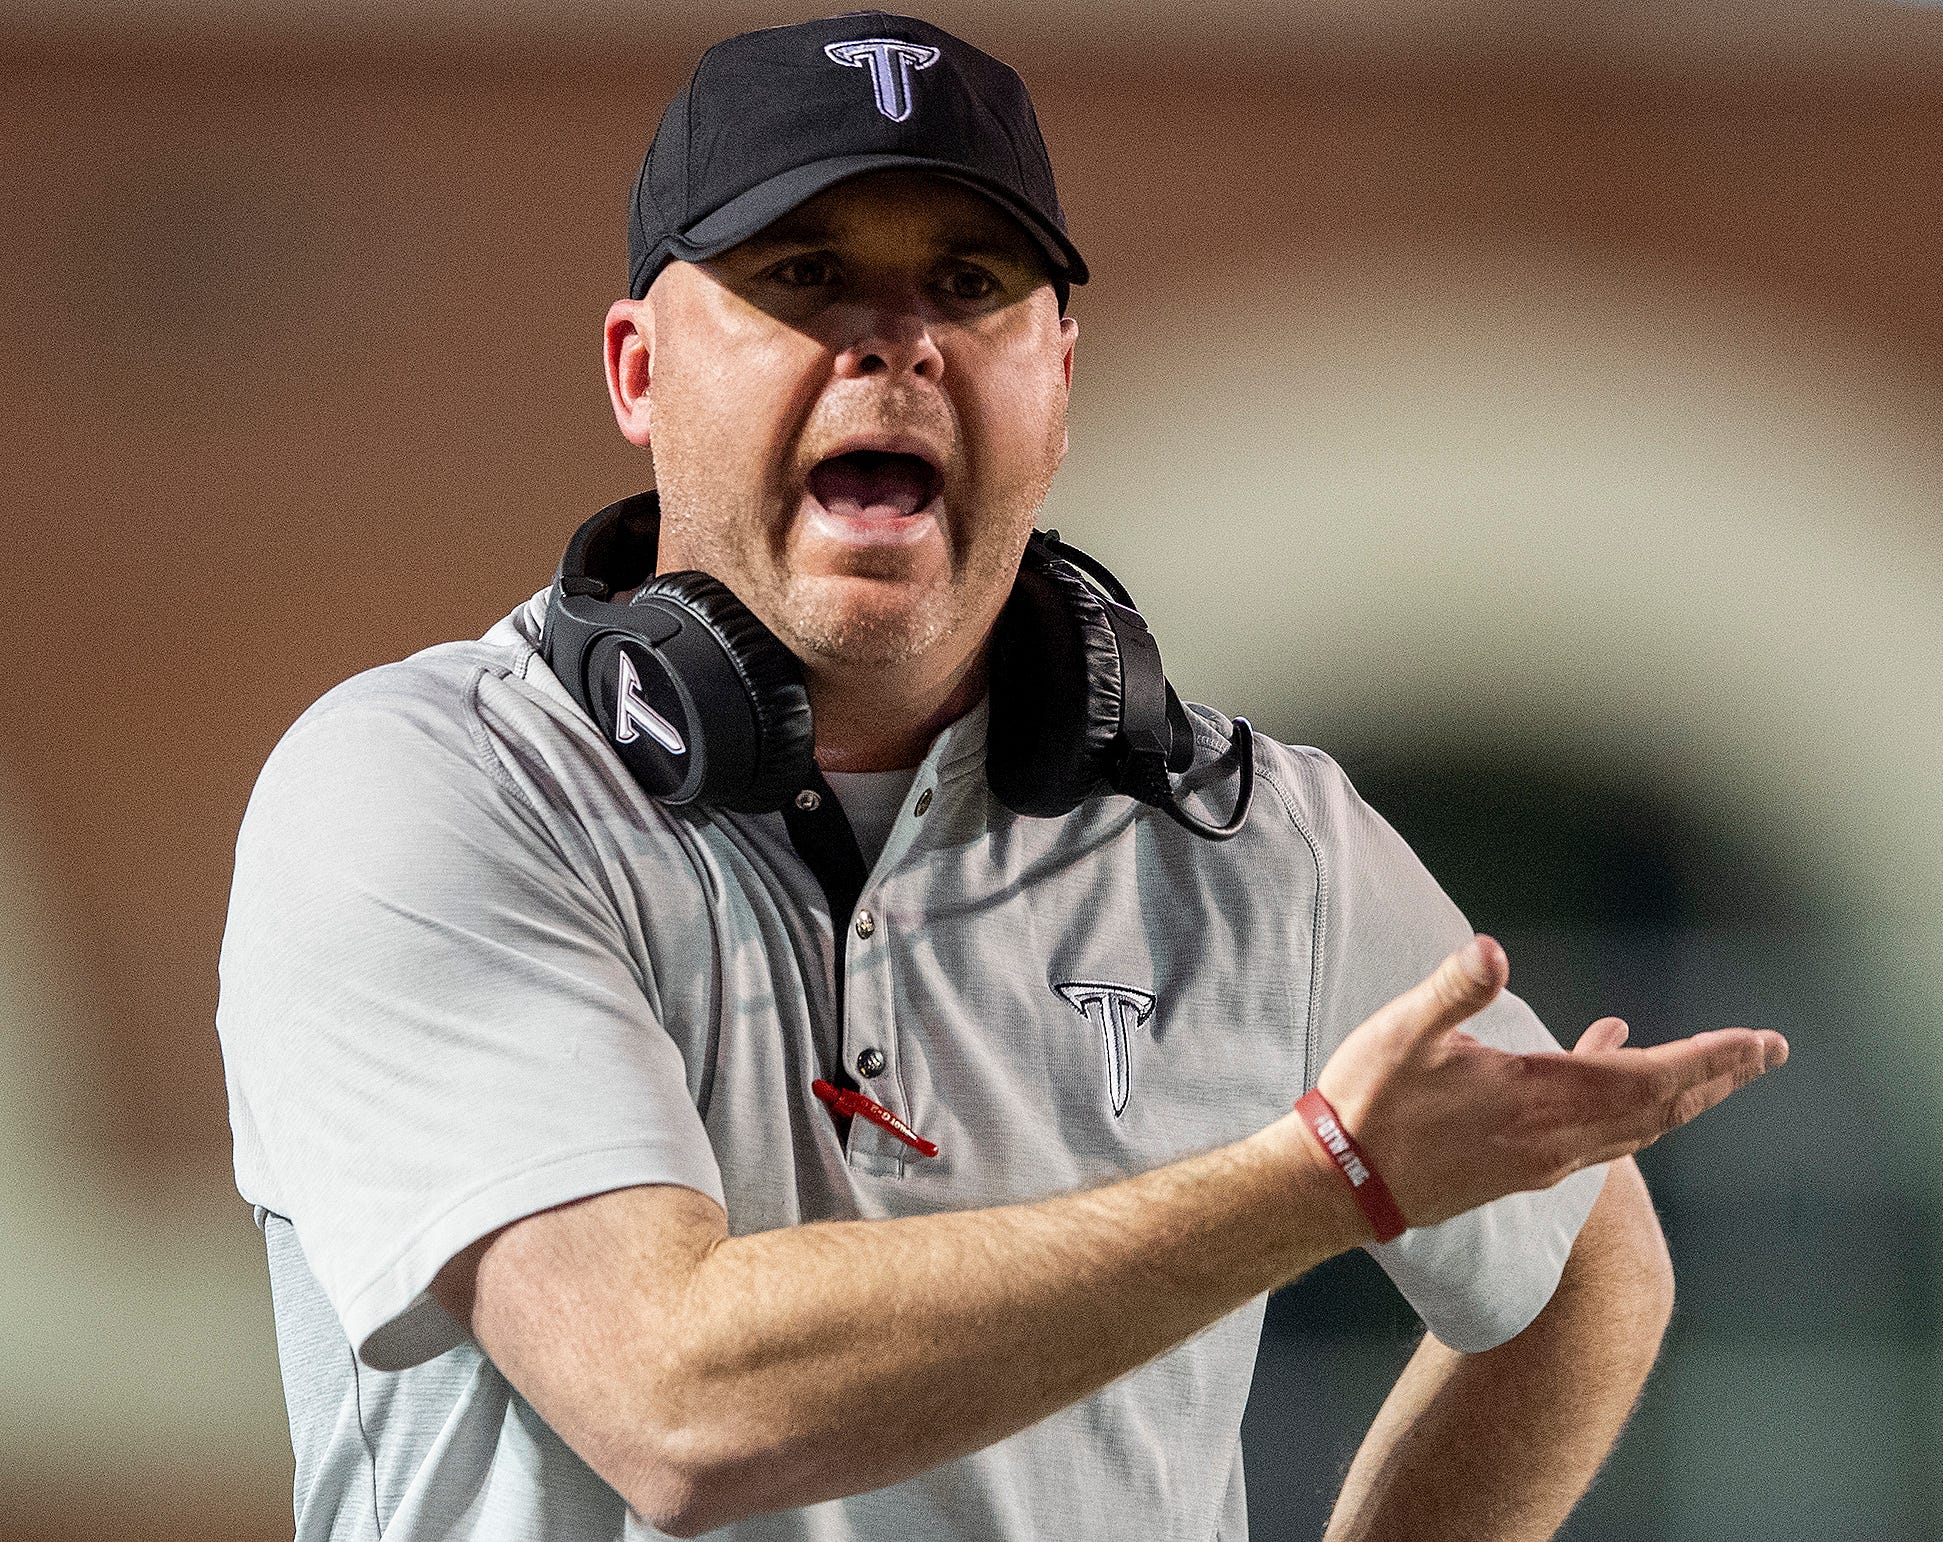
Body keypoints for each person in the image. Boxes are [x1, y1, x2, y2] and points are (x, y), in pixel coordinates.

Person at [215, 13, 1789, 1541]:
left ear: (1055, 378)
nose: (894, 339)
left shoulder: (1256, 836)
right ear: (638, 369)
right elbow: (675, 1398)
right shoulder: (426, 787)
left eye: (967, 284)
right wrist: (1319, 1182)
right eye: (804, 275)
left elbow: (1586, 1263)